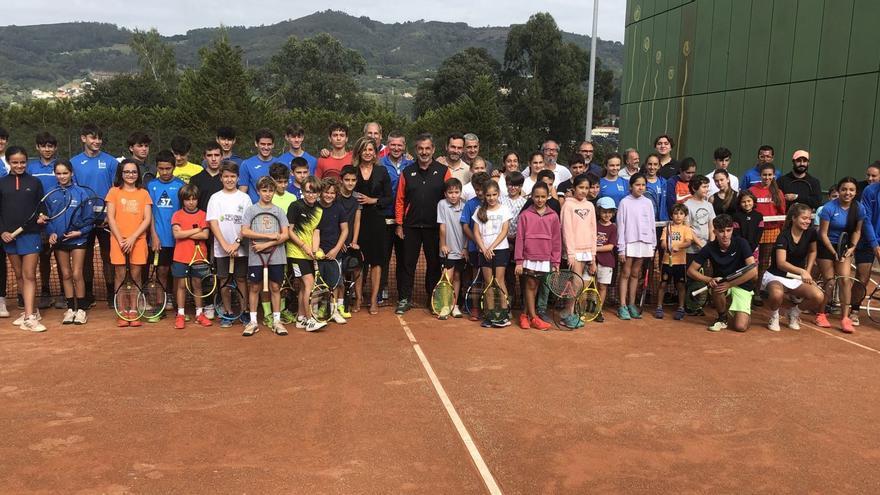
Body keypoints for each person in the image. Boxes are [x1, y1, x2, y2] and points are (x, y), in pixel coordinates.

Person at [394, 133, 451, 314]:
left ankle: (433, 299)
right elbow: (400, 200)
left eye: (427, 148)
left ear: (433, 150)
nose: (424, 152)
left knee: (434, 265)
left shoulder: (443, 171)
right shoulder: (407, 171)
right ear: (415, 150)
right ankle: (404, 298)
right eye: (420, 148)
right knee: (407, 264)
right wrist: (399, 224)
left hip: (434, 227)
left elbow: (450, 199)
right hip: (410, 227)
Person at [0, 146, 46, 331]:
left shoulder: (35, 183)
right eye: (15, 162)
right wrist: (2, 231)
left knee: (28, 275)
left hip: (31, 235)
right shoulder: (1, 183)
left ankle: (29, 317)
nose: (19, 165)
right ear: (9, 163)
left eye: (22, 162)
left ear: (27, 161)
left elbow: (42, 207)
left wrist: (42, 216)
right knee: (19, 275)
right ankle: (30, 309)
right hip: (8, 237)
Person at [687, 215, 758, 332]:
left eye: (728, 230)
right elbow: (691, 271)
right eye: (721, 231)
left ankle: (742, 312)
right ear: (714, 232)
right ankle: (722, 317)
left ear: (732, 230)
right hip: (722, 283)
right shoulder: (709, 247)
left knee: (740, 327)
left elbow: (753, 271)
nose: (725, 235)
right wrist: (709, 280)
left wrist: (730, 284)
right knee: (717, 287)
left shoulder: (741, 243)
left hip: (742, 284)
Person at [73, 123, 118, 307]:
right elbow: (74, 190)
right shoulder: (74, 162)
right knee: (85, 256)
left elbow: (116, 189)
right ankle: (88, 293)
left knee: (108, 256)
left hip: (106, 218)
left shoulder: (111, 162)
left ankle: (110, 292)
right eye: (93, 137)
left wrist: (110, 214)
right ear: (84, 138)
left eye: (99, 138)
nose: (97, 141)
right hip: (84, 218)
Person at [240, 176, 290, 336]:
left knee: (276, 287)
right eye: (264, 190)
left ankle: (277, 320)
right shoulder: (251, 210)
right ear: (258, 191)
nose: (268, 194)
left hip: (276, 255)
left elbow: (285, 235)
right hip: (256, 256)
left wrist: (265, 245)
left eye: (270, 191)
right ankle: (253, 321)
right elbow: (244, 231)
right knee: (255, 287)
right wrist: (268, 237)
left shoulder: (279, 211)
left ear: (275, 192)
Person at [106, 159, 152, 327]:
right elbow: (110, 217)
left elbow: (147, 219)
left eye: (133, 172)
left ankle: (134, 309)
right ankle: (121, 310)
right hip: (118, 240)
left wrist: (133, 238)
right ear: (121, 174)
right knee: (119, 275)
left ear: (138, 174)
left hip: (138, 240)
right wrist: (120, 239)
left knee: (135, 275)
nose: (130, 175)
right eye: (127, 172)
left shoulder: (144, 193)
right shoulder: (113, 192)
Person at [763, 203, 825, 332]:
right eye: (804, 218)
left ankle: (794, 313)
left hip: (796, 277)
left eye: (809, 218)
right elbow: (781, 263)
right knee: (777, 294)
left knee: (818, 296)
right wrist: (802, 271)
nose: (807, 221)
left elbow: (813, 251)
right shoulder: (783, 236)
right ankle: (774, 316)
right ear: (794, 218)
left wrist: (807, 272)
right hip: (776, 275)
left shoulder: (811, 233)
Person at [206, 161, 252, 328]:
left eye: (233, 176)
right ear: (221, 178)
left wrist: (237, 243)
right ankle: (227, 312)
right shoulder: (215, 198)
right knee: (224, 280)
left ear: (238, 178)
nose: (229, 179)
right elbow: (213, 223)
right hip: (222, 249)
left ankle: (244, 311)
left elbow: (246, 224)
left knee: (241, 279)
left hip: (241, 248)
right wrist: (225, 244)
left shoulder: (245, 198)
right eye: (226, 176)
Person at [816, 177, 866, 333]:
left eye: (851, 190)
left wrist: (852, 248)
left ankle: (845, 318)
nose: (847, 193)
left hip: (845, 248)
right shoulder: (829, 208)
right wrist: (833, 251)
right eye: (844, 189)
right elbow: (823, 233)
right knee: (830, 282)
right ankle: (821, 314)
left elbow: (857, 231)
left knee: (845, 280)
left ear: (855, 192)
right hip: (826, 247)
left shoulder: (859, 209)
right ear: (839, 191)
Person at [46, 160, 91, 325]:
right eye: (58, 173)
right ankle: (71, 308)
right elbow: (48, 218)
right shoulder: (51, 193)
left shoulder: (81, 193)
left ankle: (81, 310)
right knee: (65, 274)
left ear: (71, 173)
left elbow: (89, 219)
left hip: (78, 239)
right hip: (60, 241)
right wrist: (51, 232)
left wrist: (80, 232)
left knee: (77, 273)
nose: (62, 176)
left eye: (65, 173)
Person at [353, 137, 393, 314]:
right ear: (359, 152)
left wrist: (373, 200)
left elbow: (388, 198)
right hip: (357, 221)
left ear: (375, 153)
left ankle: (373, 300)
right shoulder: (352, 171)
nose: (368, 153)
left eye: (371, 150)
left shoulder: (382, 171)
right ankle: (358, 299)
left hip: (377, 221)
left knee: (377, 262)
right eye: (364, 150)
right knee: (359, 263)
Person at [515, 182, 561, 331]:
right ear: (532, 197)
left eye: (543, 196)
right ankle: (534, 318)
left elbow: (556, 240)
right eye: (536, 197)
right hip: (528, 257)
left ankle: (524, 315)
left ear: (548, 196)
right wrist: (519, 261)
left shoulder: (553, 216)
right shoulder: (525, 215)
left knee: (536, 288)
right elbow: (520, 238)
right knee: (530, 286)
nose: (540, 200)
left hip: (545, 258)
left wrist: (556, 261)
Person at [146, 150, 185, 320]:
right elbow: (151, 214)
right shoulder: (151, 186)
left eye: (168, 168)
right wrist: (154, 236)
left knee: (177, 273)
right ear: (157, 167)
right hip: (159, 239)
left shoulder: (181, 186)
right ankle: (161, 306)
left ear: (174, 167)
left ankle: (178, 308)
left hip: (178, 239)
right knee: (161, 270)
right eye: (161, 168)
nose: (164, 172)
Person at [285, 176, 326, 333]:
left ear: (318, 193)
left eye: (314, 192)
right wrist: (303, 246)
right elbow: (289, 231)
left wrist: (314, 251)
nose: (311, 195)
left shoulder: (319, 210)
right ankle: (310, 320)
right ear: (303, 191)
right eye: (308, 191)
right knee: (309, 283)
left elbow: (316, 233)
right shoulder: (295, 206)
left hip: (309, 254)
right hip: (295, 253)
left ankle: (301, 318)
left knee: (304, 285)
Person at [170, 184, 213, 329]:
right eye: (187, 200)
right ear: (182, 200)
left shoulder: (203, 214)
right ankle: (180, 314)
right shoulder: (177, 215)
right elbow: (177, 234)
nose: (191, 202)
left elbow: (205, 235)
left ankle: (199, 314)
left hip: (199, 257)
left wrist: (186, 232)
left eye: (194, 199)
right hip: (181, 256)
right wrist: (196, 230)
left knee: (197, 285)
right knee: (181, 286)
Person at [27, 131, 61, 310]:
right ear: (37, 147)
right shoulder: (31, 168)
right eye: (43, 146)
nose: (47, 149)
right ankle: (46, 292)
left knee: (62, 257)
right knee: (44, 258)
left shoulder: (61, 166)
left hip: (59, 219)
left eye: (50, 146)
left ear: (55, 148)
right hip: (39, 221)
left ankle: (64, 293)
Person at [379, 131, 414, 305]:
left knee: (404, 258)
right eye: (393, 144)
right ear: (387, 145)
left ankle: (403, 294)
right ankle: (381, 288)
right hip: (384, 218)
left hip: (405, 220)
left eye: (399, 145)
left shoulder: (411, 164)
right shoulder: (379, 164)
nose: (396, 148)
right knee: (383, 257)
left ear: (404, 146)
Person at [472, 181, 513, 327]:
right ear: (484, 196)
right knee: (488, 282)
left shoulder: (504, 209)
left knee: (500, 281)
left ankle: (503, 314)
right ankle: (489, 315)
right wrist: (484, 248)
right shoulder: (479, 210)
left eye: (494, 195)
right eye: (488, 195)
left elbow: (504, 231)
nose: (491, 198)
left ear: (498, 194)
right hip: (484, 251)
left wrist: (492, 247)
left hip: (500, 250)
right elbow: (476, 232)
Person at [616, 173, 656, 320]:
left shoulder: (648, 203)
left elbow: (651, 224)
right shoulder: (624, 202)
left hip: (644, 242)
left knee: (635, 274)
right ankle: (622, 305)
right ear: (631, 186)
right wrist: (621, 247)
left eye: (643, 185)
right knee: (625, 273)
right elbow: (621, 226)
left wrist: (652, 245)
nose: (641, 187)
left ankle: (632, 304)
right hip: (628, 242)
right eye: (637, 184)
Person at [561, 174, 598, 328]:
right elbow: (566, 231)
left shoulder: (590, 206)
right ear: (574, 188)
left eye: (586, 188)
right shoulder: (568, 205)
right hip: (573, 251)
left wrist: (593, 256)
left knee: (581, 283)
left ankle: (571, 312)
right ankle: (567, 313)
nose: (583, 191)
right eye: (580, 187)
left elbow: (592, 230)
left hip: (587, 250)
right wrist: (570, 253)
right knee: (575, 283)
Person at [268, 163, 299, 325]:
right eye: (279, 181)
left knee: (288, 281)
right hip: (270, 246)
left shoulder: (292, 198)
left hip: (289, 246)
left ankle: (284, 310)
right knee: (272, 281)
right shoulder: (267, 197)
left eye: (285, 181)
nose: (282, 185)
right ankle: (270, 313)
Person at [316, 177, 349, 324]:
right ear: (321, 192)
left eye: (332, 193)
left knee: (334, 284)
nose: (329, 195)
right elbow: (311, 231)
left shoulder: (339, 208)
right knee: (317, 284)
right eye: (326, 192)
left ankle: (334, 311)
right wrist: (316, 249)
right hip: (318, 253)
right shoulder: (315, 208)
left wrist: (336, 249)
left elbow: (345, 230)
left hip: (335, 254)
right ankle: (316, 312)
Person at [750, 163, 786, 293]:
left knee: (765, 262)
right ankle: (749, 288)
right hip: (755, 230)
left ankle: (758, 290)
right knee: (752, 261)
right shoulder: (752, 190)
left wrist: (781, 231)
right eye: (764, 175)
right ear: (760, 175)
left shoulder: (778, 193)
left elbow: (782, 213)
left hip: (772, 231)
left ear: (774, 176)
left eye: (769, 175)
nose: (767, 177)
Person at [460, 172, 492, 319]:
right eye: (476, 189)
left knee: (490, 279)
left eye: (482, 189)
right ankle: (474, 308)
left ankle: (488, 307)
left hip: (492, 249)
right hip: (475, 249)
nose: (479, 192)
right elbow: (465, 226)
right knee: (475, 279)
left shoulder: (494, 204)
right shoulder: (470, 204)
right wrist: (477, 242)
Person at [656, 203, 694, 320]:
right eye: (676, 214)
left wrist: (679, 246)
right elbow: (662, 242)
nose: (678, 216)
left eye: (681, 214)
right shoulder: (667, 228)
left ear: (685, 216)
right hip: (667, 262)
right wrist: (666, 247)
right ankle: (659, 306)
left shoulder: (686, 229)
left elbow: (688, 242)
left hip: (680, 263)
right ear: (671, 215)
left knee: (680, 285)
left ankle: (681, 307)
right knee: (663, 284)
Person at [438, 178, 466, 319]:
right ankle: (444, 305)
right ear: (445, 194)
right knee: (446, 278)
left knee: (457, 276)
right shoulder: (442, 205)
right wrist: (443, 244)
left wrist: (466, 247)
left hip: (461, 249)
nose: (453, 195)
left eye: (456, 192)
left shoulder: (465, 206)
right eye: (450, 192)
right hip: (447, 250)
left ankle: (455, 306)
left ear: (460, 192)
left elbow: (467, 229)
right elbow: (442, 226)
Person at [337, 166, 362, 313]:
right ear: (341, 180)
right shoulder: (335, 196)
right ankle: (337, 302)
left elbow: (357, 221)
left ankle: (358, 299)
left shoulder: (357, 197)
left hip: (352, 239)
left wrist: (354, 241)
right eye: (347, 180)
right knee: (338, 270)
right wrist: (339, 242)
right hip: (338, 240)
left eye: (353, 180)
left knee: (357, 268)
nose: (350, 183)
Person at [501, 172, 527, 307]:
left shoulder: (525, 202)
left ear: (521, 186)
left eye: (516, 185)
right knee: (509, 273)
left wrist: (518, 242)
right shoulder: (501, 200)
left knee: (522, 272)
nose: (513, 188)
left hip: (520, 242)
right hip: (504, 241)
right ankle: (509, 301)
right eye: (510, 185)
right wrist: (505, 239)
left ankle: (524, 301)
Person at [593, 197, 618, 323]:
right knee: (591, 285)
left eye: (610, 212)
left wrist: (594, 249)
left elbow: (610, 246)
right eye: (604, 211)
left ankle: (598, 310)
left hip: (607, 262)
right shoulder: (594, 225)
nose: (607, 214)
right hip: (592, 261)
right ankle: (587, 306)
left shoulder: (613, 228)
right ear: (598, 211)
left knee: (602, 287)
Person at [239, 128, 277, 203]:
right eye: (262, 144)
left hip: (276, 210)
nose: (266, 147)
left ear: (273, 145)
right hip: (254, 211)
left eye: (269, 144)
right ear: (256, 144)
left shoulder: (280, 163)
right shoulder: (246, 164)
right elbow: (242, 193)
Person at [684, 176, 716, 264]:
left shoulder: (709, 205)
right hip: (691, 250)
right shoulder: (687, 205)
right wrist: (700, 245)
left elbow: (711, 227)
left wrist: (711, 245)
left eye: (707, 187)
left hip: (707, 248)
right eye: (704, 187)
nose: (707, 189)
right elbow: (687, 229)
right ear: (694, 188)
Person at [190, 141, 224, 213]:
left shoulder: (227, 179)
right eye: (209, 155)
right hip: (201, 222)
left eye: (217, 155)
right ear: (204, 157)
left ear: (222, 157)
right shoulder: (195, 180)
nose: (213, 159)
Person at [732, 190, 764, 266]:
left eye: (749, 201)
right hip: (740, 248)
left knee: (753, 268)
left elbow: (759, 233)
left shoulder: (758, 216)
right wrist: (744, 248)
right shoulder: (736, 216)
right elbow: (736, 234)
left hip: (754, 247)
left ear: (753, 201)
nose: (747, 204)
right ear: (739, 203)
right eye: (743, 202)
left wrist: (752, 248)